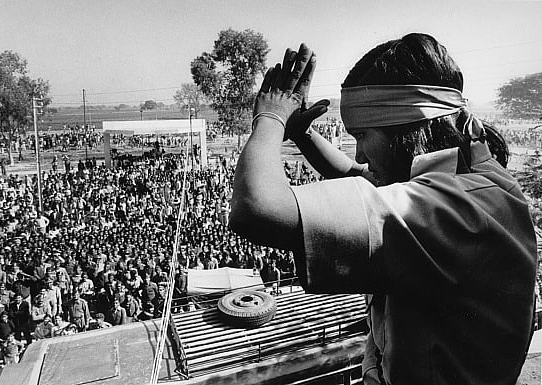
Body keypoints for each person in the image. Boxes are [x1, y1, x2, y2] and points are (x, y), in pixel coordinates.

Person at [229, 35, 537, 385]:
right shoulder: (474, 178)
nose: (359, 154)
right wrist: (303, 135)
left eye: (362, 135)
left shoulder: (447, 211)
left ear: (406, 133)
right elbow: (362, 175)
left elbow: (254, 209)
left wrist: (270, 118)